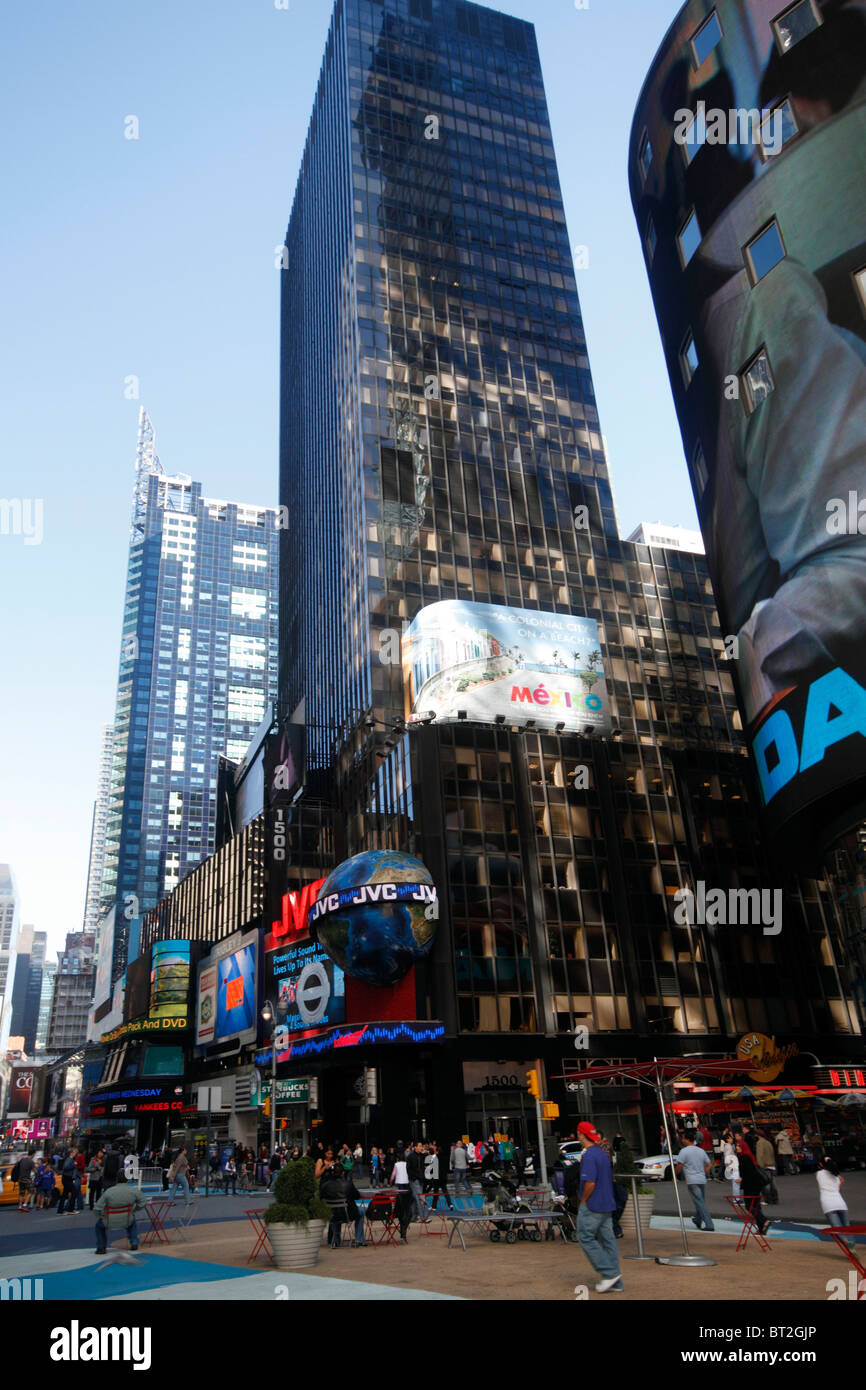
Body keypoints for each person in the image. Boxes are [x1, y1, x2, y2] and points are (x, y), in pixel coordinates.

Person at [575, 1121, 622, 1293]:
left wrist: (584, 1200)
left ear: (581, 1134)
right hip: (606, 1202)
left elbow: (590, 1182)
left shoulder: (589, 1155)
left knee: (585, 1237)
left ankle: (609, 1273)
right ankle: (615, 1281)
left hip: (593, 1204)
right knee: (608, 1240)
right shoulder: (602, 1153)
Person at [93, 1171, 148, 1254]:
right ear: (127, 1180)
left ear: (116, 1180)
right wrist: (135, 1210)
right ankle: (134, 1242)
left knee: (99, 1226)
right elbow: (143, 1202)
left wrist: (99, 1216)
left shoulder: (109, 1192)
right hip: (127, 1220)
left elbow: (97, 1207)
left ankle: (101, 1247)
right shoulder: (133, 1191)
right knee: (132, 1223)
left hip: (108, 1221)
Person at [320, 1162, 367, 1248]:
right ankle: (359, 1239)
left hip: (333, 1214)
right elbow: (357, 1196)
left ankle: (336, 1240)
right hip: (348, 1213)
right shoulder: (348, 1184)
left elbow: (321, 1198)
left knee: (336, 1212)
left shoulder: (325, 1185)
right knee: (361, 1211)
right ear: (343, 1173)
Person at [675, 1131, 715, 1232]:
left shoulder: (684, 1151)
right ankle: (698, 1219)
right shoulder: (701, 1150)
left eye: (683, 1138)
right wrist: (703, 1172)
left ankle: (709, 1224)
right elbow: (709, 1164)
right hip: (701, 1178)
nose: (682, 1140)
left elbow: (679, 1165)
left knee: (699, 1202)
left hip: (692, 1179)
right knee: (700, 1200)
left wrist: (676, 1175)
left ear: (687, 1139)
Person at [816, 1157, 856, 1251]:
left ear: (821, 1165)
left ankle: (848, 1244)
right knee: (847, 1227)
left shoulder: (818, 1174)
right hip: (841, 1203)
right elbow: (839, 1190)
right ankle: (852, 1246)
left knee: (837, 1229)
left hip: (828, 1204)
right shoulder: (837, 1177)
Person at [736, 1140, 771, 1237]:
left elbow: (747, 1173)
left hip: (750, 1185)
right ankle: (761, 1227)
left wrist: (741, 1180)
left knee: (749, 1205)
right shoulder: (748, 1156)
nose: (737, 1147)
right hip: (756, 1184)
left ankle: (764, 1221)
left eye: (739, 1146)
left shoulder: (743, 1158)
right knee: (756, 1205)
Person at [390, 1148, 412, 1243]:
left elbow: (393, 1174)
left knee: (399, 1200)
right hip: (406, 1183)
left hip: (399, 1182)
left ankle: (398, 1212)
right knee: (406, 1202)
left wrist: (391, 1181)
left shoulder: (396, 1164)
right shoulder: (406, 1164)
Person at [424, 1142, 453, 1210]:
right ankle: (450, 1204)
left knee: (436, 1192)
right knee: (445, 1192)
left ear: (436, 1151)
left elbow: (432, 1168)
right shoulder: (446, 1157)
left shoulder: (435, 1158)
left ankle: (434, 1206)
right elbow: (447, 1168)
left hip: (436, 1177)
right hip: (443, 1177)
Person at [407, 1141, 427, 1223]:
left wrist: (425, 1153)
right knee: (420, 1198)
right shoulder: (410, 1156)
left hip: (421, 1179)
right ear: (415, 1147)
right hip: (414, 1180)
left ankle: (413, 1217)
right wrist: (414, 1177)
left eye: (421, 1146)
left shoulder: (421, 1156)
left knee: (415, 1198)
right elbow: (408, 1169)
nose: (421, 1147)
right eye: (419, 1146)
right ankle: (423, 1217)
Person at [56, 1148, 80, 1215]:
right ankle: (70, 1209)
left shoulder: (70, 1159)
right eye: (74, 1152)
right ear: (71, 1153)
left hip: (66, 1178)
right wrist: (74, 1165)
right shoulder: (70, 1159)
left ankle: (61, 1210)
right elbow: (66, 1167)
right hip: (68, 1178)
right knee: (74, 1192)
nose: (76, 1153)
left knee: (65, 1194)